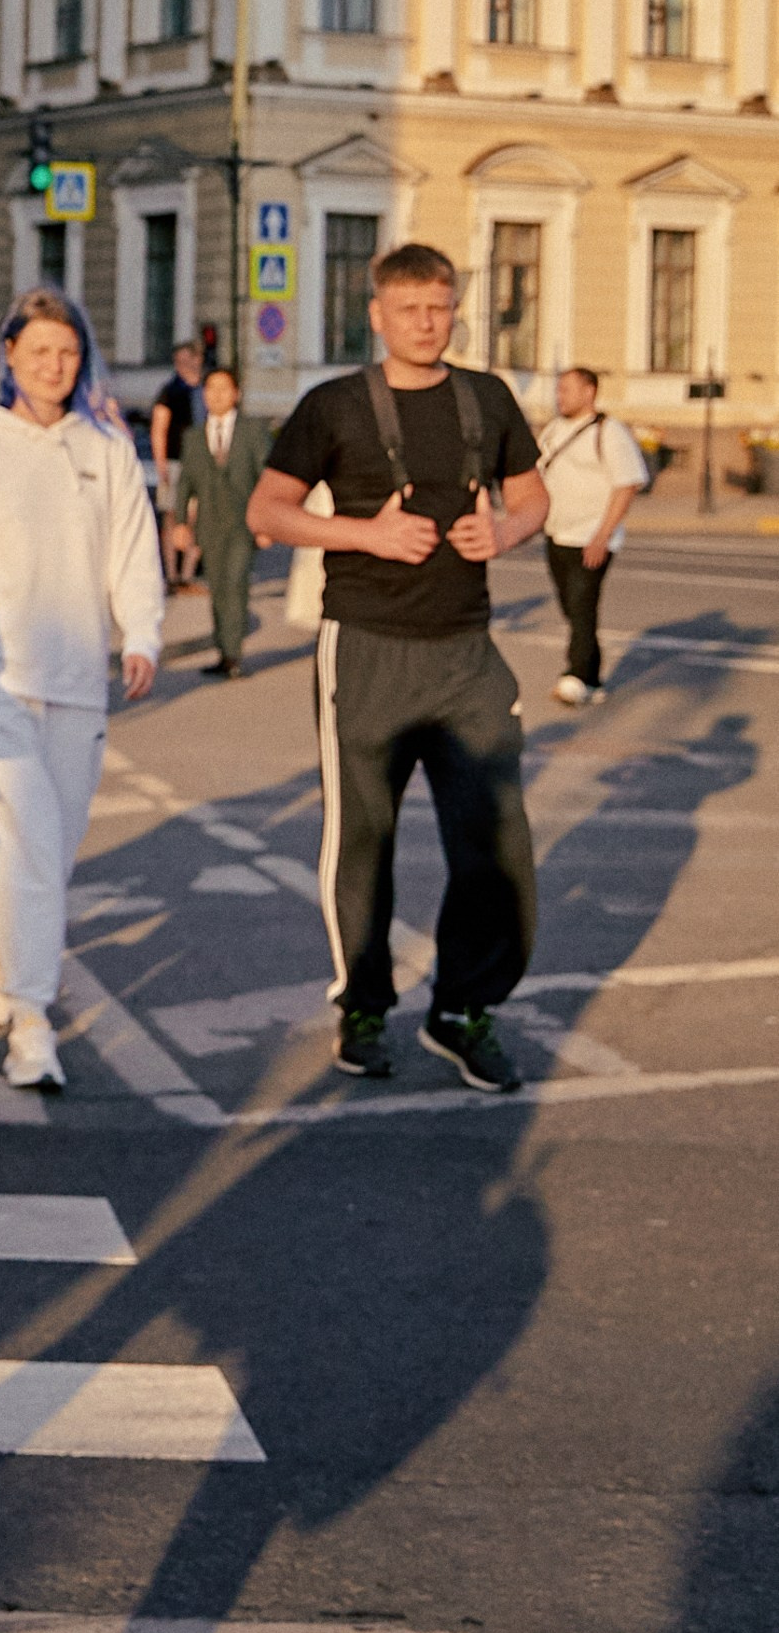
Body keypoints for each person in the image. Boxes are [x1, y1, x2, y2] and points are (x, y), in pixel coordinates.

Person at [246, 241, 547, 1092]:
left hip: (466, 651)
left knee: (496, 841)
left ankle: (462, 1009)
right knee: (362, 841)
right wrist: (367, 534)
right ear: (377, 315)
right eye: (409, 308)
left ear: (455, 311)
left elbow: (532, 496)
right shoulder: (333, 405)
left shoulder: (488, 398)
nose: (426, 322)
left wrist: (505, 530)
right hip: (365, 647)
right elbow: (268, 510)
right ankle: (364, 1006)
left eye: (440, 307)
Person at [0, 288, 163, 1092]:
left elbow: (133, 547)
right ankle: (31, 1021)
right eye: (39, 350)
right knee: (33, 842)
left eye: (68, 352)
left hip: (77, 677)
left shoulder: (105, 448)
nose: (55, 365)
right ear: (9, 355)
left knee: (47, 852)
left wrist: (142, 633)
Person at [537, 365, 649, 706]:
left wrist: (602, 536)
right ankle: (593, 678)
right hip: (557, 533)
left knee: (582, 604)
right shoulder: (554, 429)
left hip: (591, 538)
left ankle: (576, 677)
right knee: (572, 607)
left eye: (567, 390)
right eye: (559, 390)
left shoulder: (610, 432)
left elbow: (627, 484)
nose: (560, 396)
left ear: (589, 392)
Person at [178, 364, 268, 676]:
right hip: (209, 526)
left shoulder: (252, 431)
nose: (216, 395)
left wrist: (266, 523)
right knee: (217, 588)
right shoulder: (193, 436)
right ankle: (223, 652)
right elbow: (185, 483)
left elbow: (266, 479)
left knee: (235, 583)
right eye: (211, 389)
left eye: (223, 389)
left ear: (236, 394)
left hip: (244, 524)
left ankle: (234, 654)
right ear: (204, 395)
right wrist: (181, 523)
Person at [151, 337, 205, 582]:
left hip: (202, 464)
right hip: (175, 462)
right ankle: (172, 574)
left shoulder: (206, 390)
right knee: (172, 517)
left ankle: (188, 574)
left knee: (197, 518)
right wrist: (161, 463)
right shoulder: (170, 391)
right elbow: (159, 429)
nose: (181, 366)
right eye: (178, 361)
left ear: (198, 359)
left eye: (186, 360)